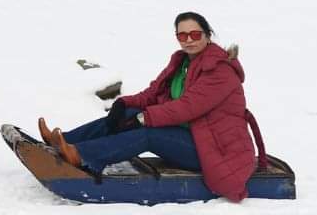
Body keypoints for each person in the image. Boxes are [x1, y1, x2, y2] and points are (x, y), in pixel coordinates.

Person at [39, 12, 267, 203]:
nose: (189, 40)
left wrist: (143, 118)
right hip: (192, 136)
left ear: (207, 35)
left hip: (214, 150)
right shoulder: (182, 62)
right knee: (127, 113)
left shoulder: (220, 70)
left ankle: (81, 155)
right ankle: (64, 141)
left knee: (148, 134)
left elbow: (187, 107)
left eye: (195, 34)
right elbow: (153, 94)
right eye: (182, 35)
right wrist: (124, 103)